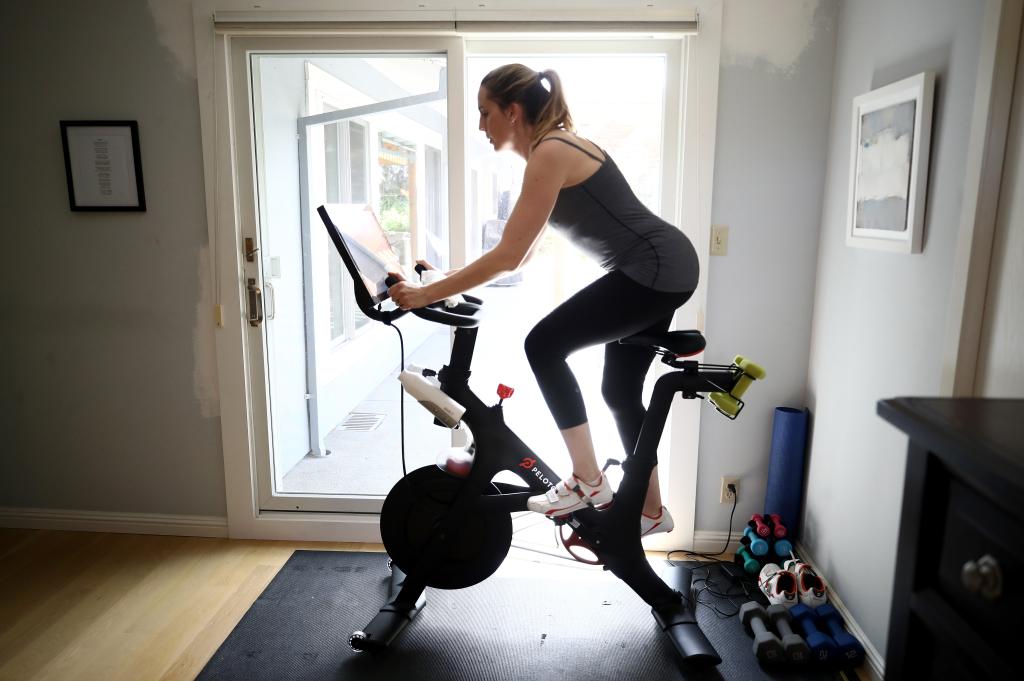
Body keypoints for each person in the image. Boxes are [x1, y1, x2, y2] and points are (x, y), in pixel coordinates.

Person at [388, 64, 699, 537]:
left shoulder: (552, 151)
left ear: (512, 112)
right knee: (618, 391)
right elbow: (523, 252)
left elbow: (509, 257)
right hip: (664, 268)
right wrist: (444, 278)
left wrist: (425, 295)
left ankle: (587, 481)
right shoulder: (553, 150)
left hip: (653, 268)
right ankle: (652, 512)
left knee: (544, 345)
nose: (480, 126)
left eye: (484, 112)